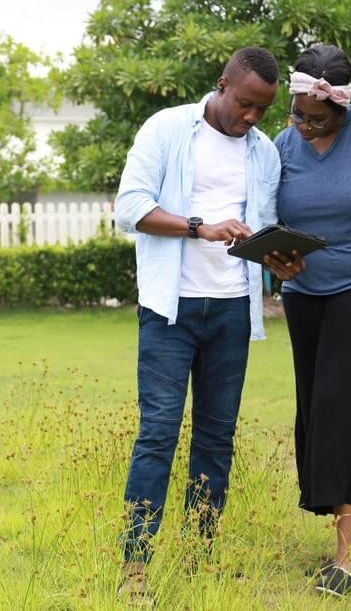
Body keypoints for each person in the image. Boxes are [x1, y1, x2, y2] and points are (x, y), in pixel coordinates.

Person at [114, 47, 300, 597]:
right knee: (158, 435)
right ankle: (135, 567)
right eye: (244, 104)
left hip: (231, 312)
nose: (250, 118)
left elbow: (261, 231)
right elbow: (129, 209)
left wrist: (280, 261)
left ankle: (199, 557)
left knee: (216, 440)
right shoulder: (168, 128)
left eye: (262, 110)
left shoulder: (264, 152)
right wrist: (200, 227)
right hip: (170, 308)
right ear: (222, 85)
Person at [268, 44, 351, 598]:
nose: (301, 125)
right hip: (303, 293)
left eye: (314, 118)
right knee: (315, 412)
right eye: (296, 113)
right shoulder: (283, 145)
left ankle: (348, 555)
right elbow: (266, 213)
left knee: (337, 408)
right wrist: (275, 256)